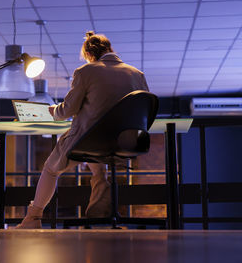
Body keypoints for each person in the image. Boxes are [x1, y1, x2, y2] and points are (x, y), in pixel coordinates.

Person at [15, 31, 149, 229]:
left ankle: (33, 218)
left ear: (89, 55)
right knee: (98, 162)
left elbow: (66, 111)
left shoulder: (85, 72)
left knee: (51, 169)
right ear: (110, 49)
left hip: (90, 140)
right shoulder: (138, 75)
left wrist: (54, 110)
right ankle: (101, 214)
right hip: (126, 141)